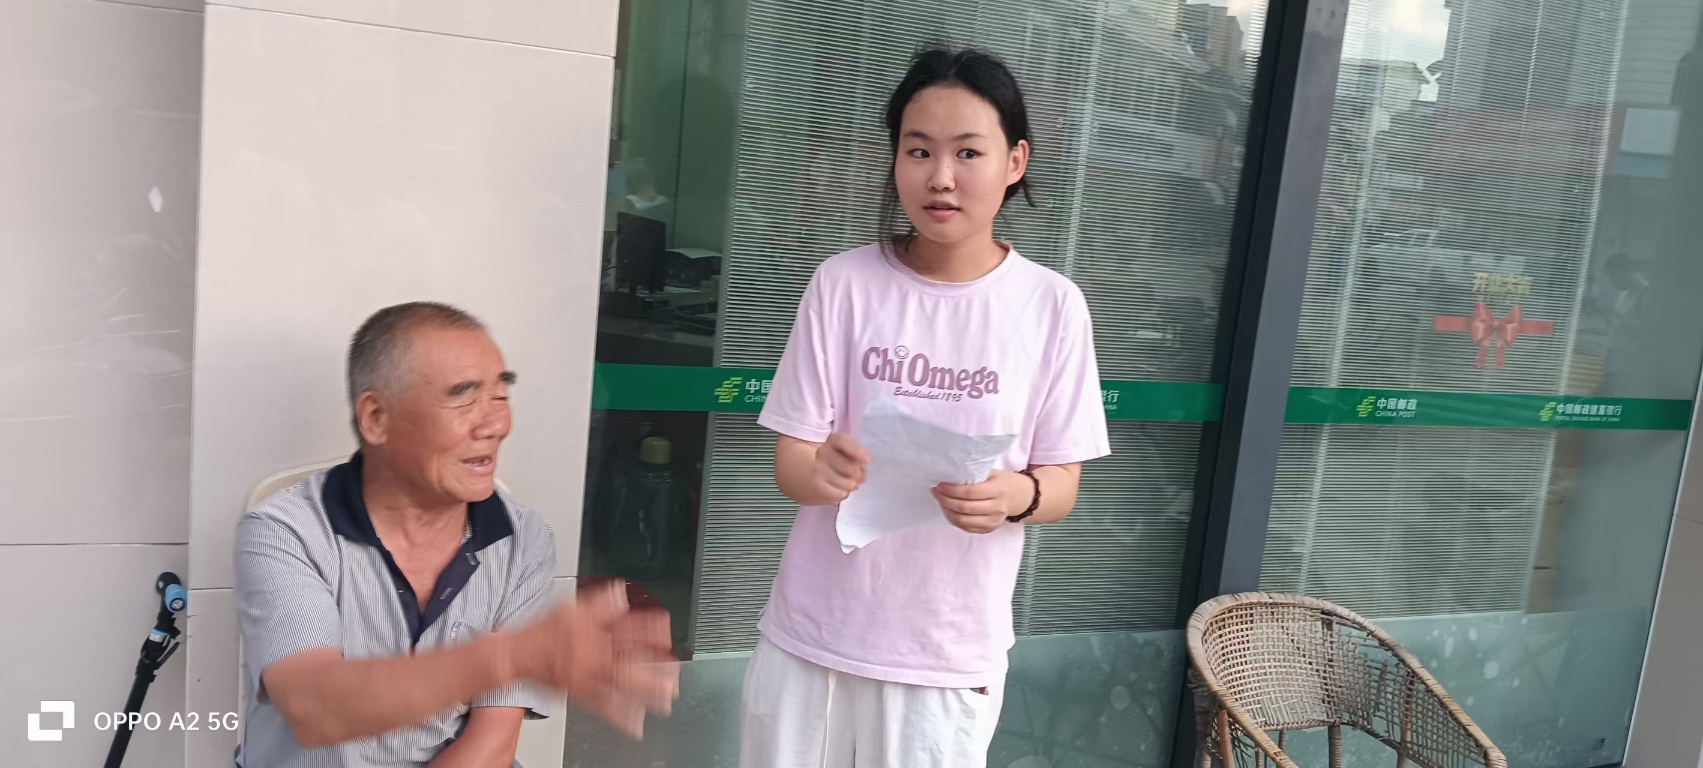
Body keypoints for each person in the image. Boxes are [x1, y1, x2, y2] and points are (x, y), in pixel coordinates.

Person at [739, 47, 1110, 767]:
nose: (940, 176)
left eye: (968, 152)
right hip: (811, 639)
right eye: (918, 151)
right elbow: (791, 463)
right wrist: (822, 472)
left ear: (1014, 161)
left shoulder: (1050, 306)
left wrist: (1015, 496)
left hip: (945, 654)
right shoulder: (842, 284)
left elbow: (1061, 483)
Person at [233, 302, 678, 768]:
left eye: (501, 396)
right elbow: (313, 707)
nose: (497, 425)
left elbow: (492, 746)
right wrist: (511, 656)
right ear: (377, 417)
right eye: (464, 397)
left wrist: (520, 655)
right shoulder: (286, 532)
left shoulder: (521, 538)